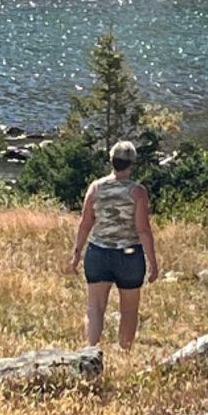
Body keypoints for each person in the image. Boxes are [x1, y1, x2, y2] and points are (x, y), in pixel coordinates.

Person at [70, 141, 159, 350]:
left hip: (98, 252)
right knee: (128, 310)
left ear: (111, 161)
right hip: (128, 255)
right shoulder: (137, 192)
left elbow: (85, 223)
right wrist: (153, 262)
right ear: (132, 164)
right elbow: (143, 230)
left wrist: (76, 254)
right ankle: (125, 352)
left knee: (95, 307)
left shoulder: (95, 187)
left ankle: (90, 350)